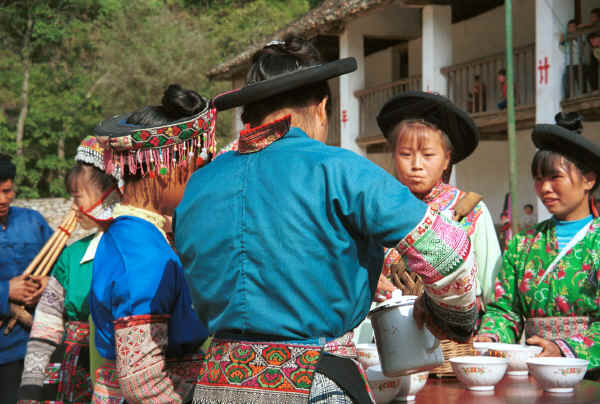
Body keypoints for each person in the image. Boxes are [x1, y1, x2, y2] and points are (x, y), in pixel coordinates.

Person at [175, 37, 478, 403]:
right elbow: (450, 254)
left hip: (215, 385)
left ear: (248, 115)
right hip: (314, 385)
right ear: (321, 108)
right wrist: (448, 316)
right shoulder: (338, 169)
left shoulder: (198, 184)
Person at [89, 84, 211, 403]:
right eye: (188, 167)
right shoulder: (141, 252)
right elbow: (142, 380)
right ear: (161, 170)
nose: (193, 176)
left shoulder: (132, 234)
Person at [476, 118, 600, 376]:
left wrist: (563, 349)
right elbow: (505, 310)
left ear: (588, 180)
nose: (545, 188)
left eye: (555, 177)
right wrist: (490, 337)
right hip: (535, 375)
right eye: (538, 179)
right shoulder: (523, 244)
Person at [376, 92, 502, 323]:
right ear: (394, 156)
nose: (416, 165)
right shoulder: (378, 211)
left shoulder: (472, 212)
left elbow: (495, 292)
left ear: (446, 160)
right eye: (406, 154)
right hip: (391, 334)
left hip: (454, 339)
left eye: (428, 155)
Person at [18, 136, 120, 403]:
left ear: (109, 193)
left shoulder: (133, 250)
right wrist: (31, 386)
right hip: (75, 377)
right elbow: (46, 325)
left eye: (78, 197)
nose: (74, 208)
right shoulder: (72, 256)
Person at [0, 154, 53, 404]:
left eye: (7, 191)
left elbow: (62, 267)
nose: (3, 199)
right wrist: (6, 292)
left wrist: (48, 284)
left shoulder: (33, 221)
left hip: (40, 343)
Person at [561, 19, 582, 97]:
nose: (571, 28)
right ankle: (568, 97)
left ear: (576, 28)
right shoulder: (567, 38)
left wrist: (574, 39)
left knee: (580, 81)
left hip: (578, 63)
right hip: (569, 64)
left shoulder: (580, 36)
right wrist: (562, 40)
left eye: (573, 27)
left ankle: (583, 94)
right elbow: (563, 48)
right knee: (566, 80)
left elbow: (581, 46)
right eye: (569, 27)